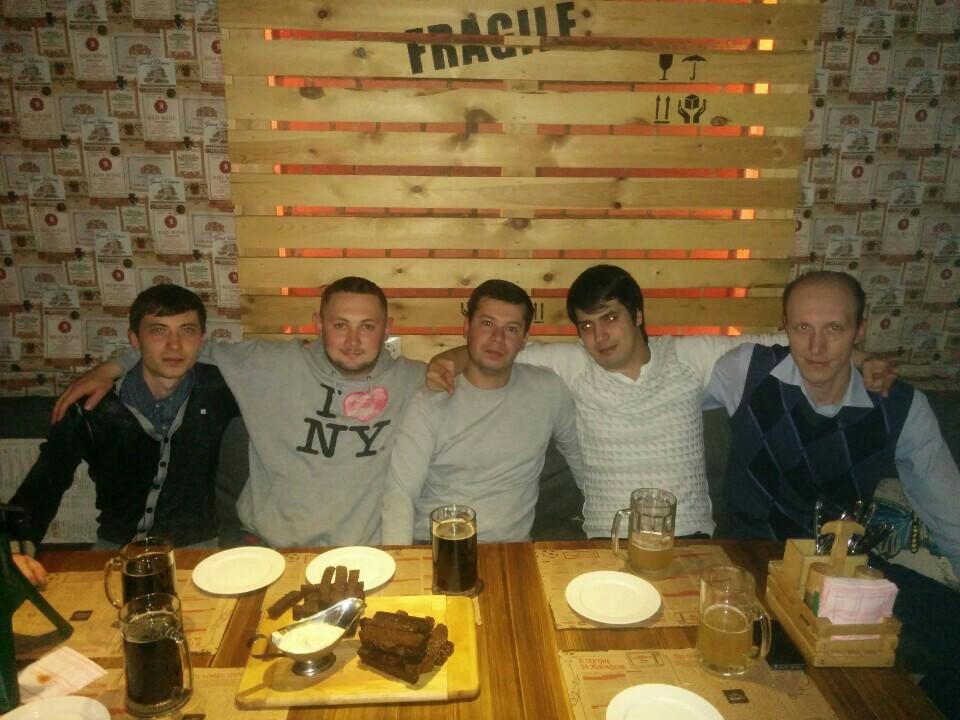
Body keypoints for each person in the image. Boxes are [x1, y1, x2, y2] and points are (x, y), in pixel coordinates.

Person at [703, 270, 960, 718]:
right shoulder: (745, 371)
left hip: (845, 568)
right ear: (784, 325)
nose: (816, 347)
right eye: (803, 327)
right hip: (752, 560)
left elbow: (949, 516)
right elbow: (656, 372)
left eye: (835, 329)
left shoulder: (901, 407)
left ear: (860, 329)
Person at [51, 277, 426, 548]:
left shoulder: (413, 380)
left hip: (366, 554)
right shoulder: (269, 364)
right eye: (340, 325)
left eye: (368, 326)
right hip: (271, 550)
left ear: (387, 329)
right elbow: (182, 348)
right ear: (318, 325)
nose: (354, 341)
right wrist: (114, 367)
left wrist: (450, 359)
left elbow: (459, 369)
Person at [429, 265, 790, 539]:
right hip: (608, 543)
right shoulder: (574, 365)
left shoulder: (687, 357)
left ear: (638, 315)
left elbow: (776, 346)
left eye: (610, 318)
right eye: (586, 326)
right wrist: (448, 361)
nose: (599, 336)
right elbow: (500, 350)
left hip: (688, 540)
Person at [8, 284, 239, 587]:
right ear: (134, 339)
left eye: (187, 330)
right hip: (116, 554)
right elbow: (43, 484)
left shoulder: (221, 391)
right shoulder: (94, 408)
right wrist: (15, 549)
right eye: (158, 331)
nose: (174, 345)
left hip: (198, 551)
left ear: (201, 339)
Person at [382, 280, 584, 544]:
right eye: (487, 324)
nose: (497, 338)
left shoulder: (548, 389)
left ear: (524, 339)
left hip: (512, 551)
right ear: (467, 328)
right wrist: (399, 560)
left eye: (511, 329)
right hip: (438, 546)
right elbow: (400, 492)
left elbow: (578, 457)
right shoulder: (430, 401)